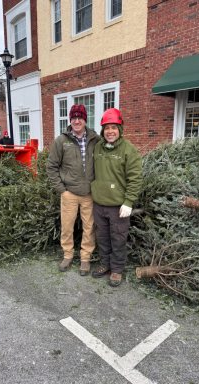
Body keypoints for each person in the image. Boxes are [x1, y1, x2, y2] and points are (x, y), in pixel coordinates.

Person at [91, 108, 142, 287]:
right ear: (102, 131)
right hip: (98, 204)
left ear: (120, 129)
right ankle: (105, 264)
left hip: (118, 206)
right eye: (107, 128)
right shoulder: (98, 147)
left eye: (114, 127)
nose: (110, 131)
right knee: (102, 237)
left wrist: (128, 202)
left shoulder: (129, 150)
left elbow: (135, 178)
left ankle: (117, 269)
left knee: (118, 238)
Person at [47, 104, 99, 276]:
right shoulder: (61, 141)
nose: (77, 121)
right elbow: (51, 167)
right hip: (69, 193)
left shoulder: (95, 139)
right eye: (74, 118)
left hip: (89, 193)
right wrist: (62, 190)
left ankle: (85, 258)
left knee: (89, 227)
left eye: (80, 117)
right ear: (70, 120)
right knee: (67, 226)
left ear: (85, 120)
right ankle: (68, 255)